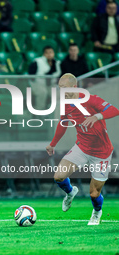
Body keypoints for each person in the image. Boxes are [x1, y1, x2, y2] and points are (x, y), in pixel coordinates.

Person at [46, 73, 119, 225]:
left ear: (74, 87)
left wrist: (97, 116)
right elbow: (62, 123)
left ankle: (97, 211)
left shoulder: (91, 99)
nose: (62, 91)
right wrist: (53, 144)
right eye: (60, 88)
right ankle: (70, 192)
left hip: (102, 152)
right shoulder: (65, 104)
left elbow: (114, 110)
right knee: (58, 176)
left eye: (64, 88)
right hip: (82, 147)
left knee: (94, 194)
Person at [28, 46, 61, 110]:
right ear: (43, 54)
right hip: (38, 84)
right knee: (43, 92)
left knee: (58, 94)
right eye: (47, 53)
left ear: (54, 53)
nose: (49, 54)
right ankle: (39, 111)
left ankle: (54, 112)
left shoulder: (57, 63)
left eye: (51, 52)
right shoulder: (37, 62)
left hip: (51, 85)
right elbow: (31, 76)